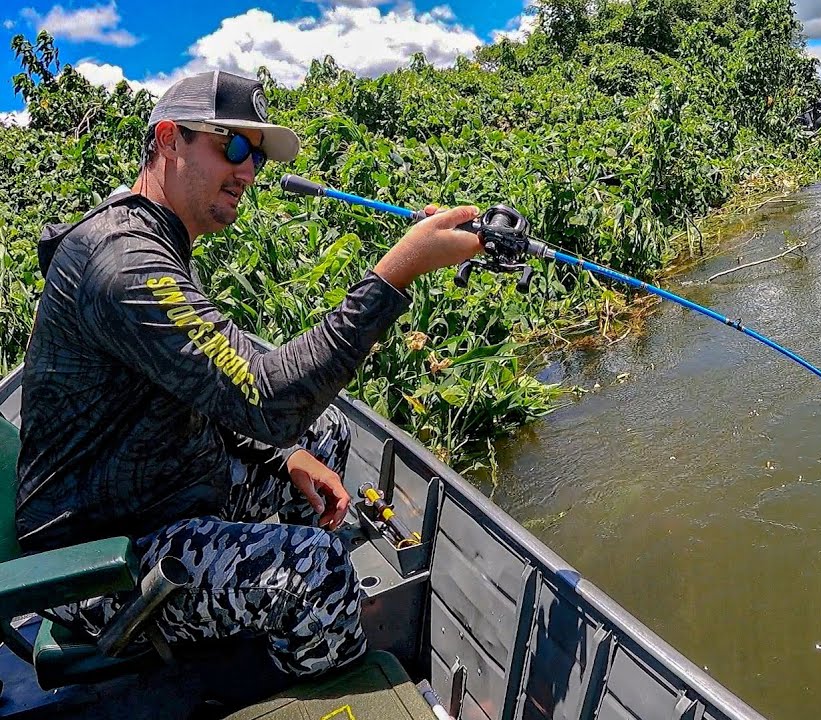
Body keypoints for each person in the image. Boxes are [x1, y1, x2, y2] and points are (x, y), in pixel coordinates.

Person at [14, 70, 483, 678]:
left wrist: (282, 458)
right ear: (167, 140)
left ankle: (259, 612)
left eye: (255, 155)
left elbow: (205, 391)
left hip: (160, 485)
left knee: (322, 438)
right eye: (230, 145)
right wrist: (397, 271)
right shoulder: (124, 262)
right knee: (317, 570)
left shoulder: (155, 240)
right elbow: (268, 399)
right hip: (101, 559)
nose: (247, 170)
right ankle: (292, 669)